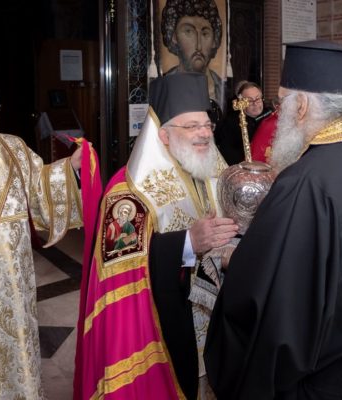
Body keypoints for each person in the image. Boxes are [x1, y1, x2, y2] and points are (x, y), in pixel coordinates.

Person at [204, 40, 342, 399]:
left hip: (331, 378)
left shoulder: (304, 182)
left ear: (301, 106)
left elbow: (276, 302)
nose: (278, 113)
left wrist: (234, 262)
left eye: (282, 102)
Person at [76, 72, 238, 400]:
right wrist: (188, 243)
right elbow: (122, 273)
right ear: (163, 134)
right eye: (191, 126)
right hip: (167, 332)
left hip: (215, 327)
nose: (204, 134)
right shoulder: (127, 193)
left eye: (207, 125)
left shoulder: (214, 172)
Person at [0, 61, 84, 399]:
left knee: (19, 366)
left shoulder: (14, 148)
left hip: (15, 293)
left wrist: (70, 168)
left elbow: (40, 188)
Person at [161, 0, 225, 108]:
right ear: (174, 37)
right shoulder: (164, 86)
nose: (198, 46)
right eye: (188, 32)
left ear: (214, 40)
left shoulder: (222, 87)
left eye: (205, 34)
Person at [215, 81, 272, 165]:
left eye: (258, 99)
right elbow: (228, 152)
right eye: (250, 100)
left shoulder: (270, 115)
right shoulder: (231, 123)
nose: (255, 103)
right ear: (241, 102)